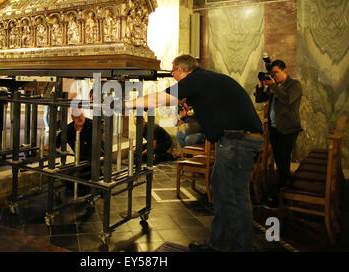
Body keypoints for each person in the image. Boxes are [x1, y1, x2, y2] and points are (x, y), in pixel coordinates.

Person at [125, 54, 263, 252]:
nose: (173, 77)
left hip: (237, 142)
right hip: (236, 141)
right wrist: (188, 117)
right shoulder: (207, 80)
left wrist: (127, 103)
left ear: (180, 70)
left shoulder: (196, 79)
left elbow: (162, 98)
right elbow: (212, 111)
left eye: (173, 73)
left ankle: (241, 248)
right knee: (220, 191)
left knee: (233, 197)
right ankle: (218, 245)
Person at [254, 59, 302, 207]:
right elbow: (259, 99)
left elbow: (287, 100)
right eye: (272, 73)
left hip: (288, 129)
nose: (274, 75)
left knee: (283, 162)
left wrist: (273, 85)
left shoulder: (294, 85)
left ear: (284, 71)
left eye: (276, 72)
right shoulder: (275, 87)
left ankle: (282, 195)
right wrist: (262, 86)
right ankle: (280, 191)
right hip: (274, 129)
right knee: (279, 162)